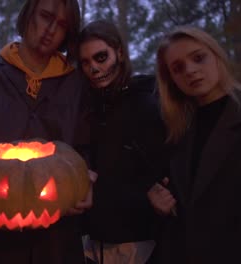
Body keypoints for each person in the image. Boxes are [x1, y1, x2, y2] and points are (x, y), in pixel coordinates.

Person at [0, 0, 93, 263]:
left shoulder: (76, 84)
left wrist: (87, 176)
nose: (51, 29)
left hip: (57, 238)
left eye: (62, 24)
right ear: (29, 13)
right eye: (46, 16)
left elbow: (84, 146)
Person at [147, 25, 241, 263]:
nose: (191, 71)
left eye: (198, 58)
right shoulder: (178, 135)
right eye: (178, 68)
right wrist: (161, 204)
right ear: (172, 80)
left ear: (216, 56)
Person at [77, 20, 167, 264]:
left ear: (119, 51)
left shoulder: (151, 101)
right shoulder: (86, 108)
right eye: (85, 62)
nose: (94, 68)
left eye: (100, 57)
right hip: (94, 244)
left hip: (142, 243)